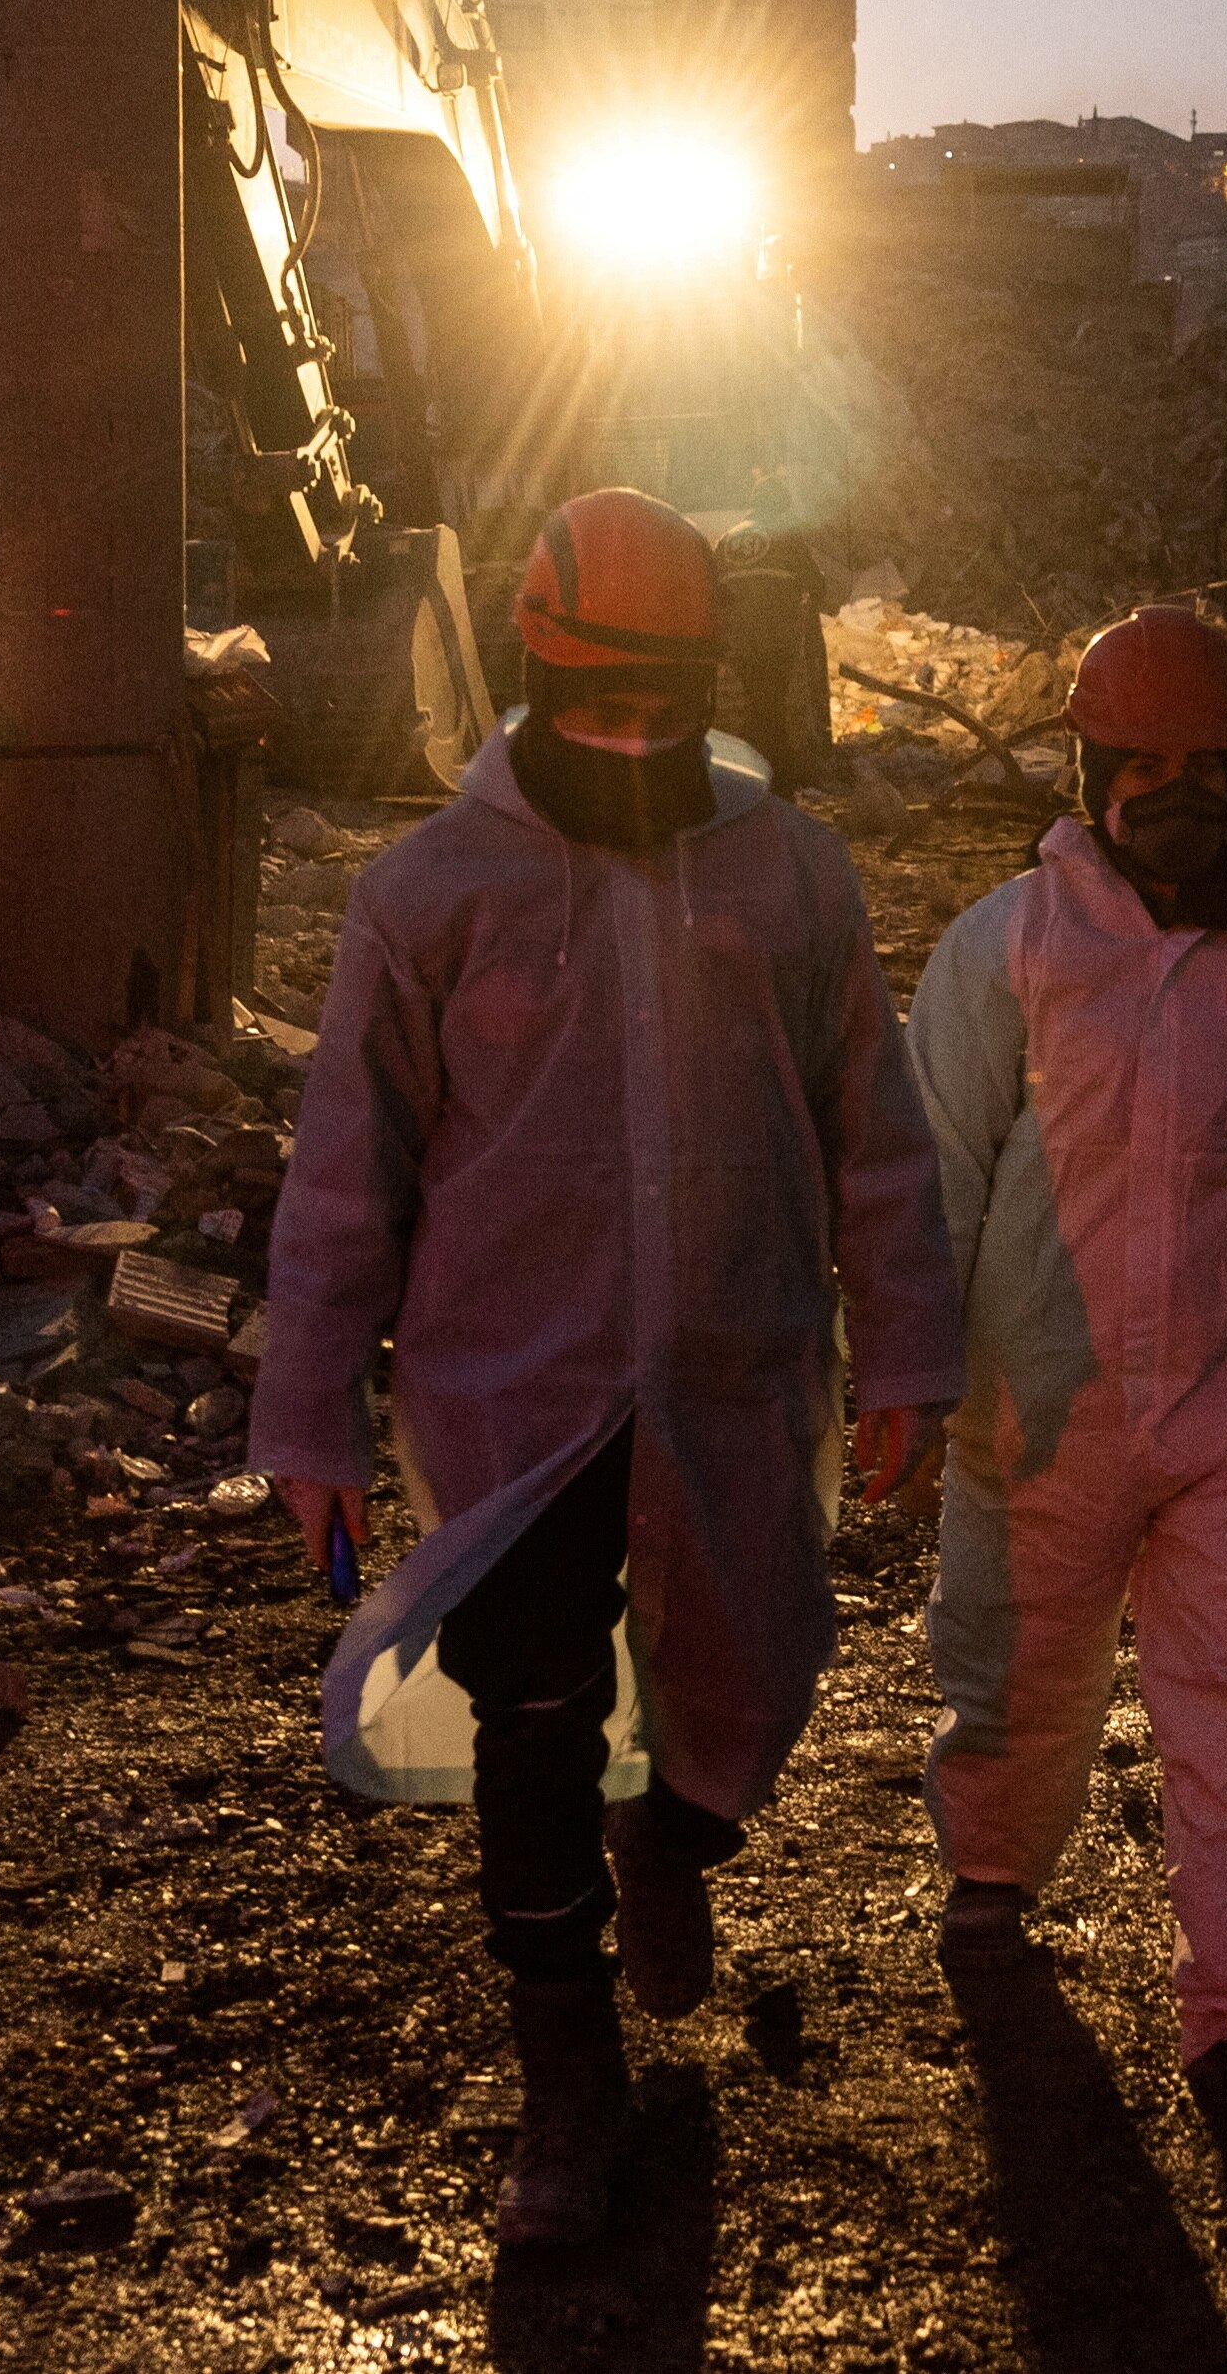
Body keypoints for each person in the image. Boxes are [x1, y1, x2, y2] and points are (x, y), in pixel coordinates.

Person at [253, 487, 963, 2253]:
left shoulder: (789, 872)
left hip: (735, 1370)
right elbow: (349, 1173)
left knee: (750, 1669)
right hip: (515, 1400)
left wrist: (908, 1351)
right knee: (536, 1714)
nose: (635, 743)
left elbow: (876, 1133)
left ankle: (682, 1844)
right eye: (600, 711)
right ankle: (562, 2079)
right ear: (534, 669)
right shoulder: (430, 893)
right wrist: (310, 1414)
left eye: (666, 710)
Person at [909, 608, 1227, 2133]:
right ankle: (989, 1876)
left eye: (1209, 768)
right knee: (1010, 1668)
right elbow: (931, 1172)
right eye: (1142, 768)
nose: (1175, 797)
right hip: (1037, 1401)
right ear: (1087, 768)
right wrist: (908, 1370)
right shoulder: (1010, 946)